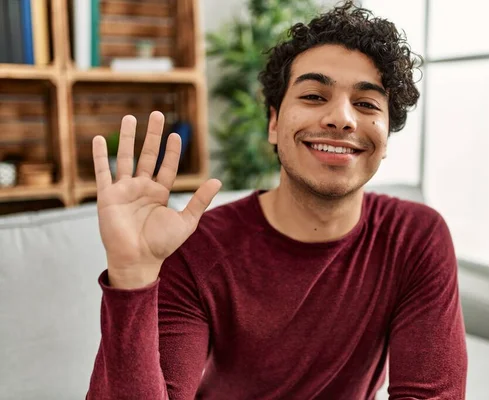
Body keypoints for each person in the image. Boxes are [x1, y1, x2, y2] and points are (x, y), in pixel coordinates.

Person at [86, 1, 467, 399]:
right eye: (314, 96)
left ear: (385, 138)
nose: (341, 118)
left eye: (367, 103)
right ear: (273, 123)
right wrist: (132, 277)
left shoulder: (415, 237)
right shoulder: (195, 245)